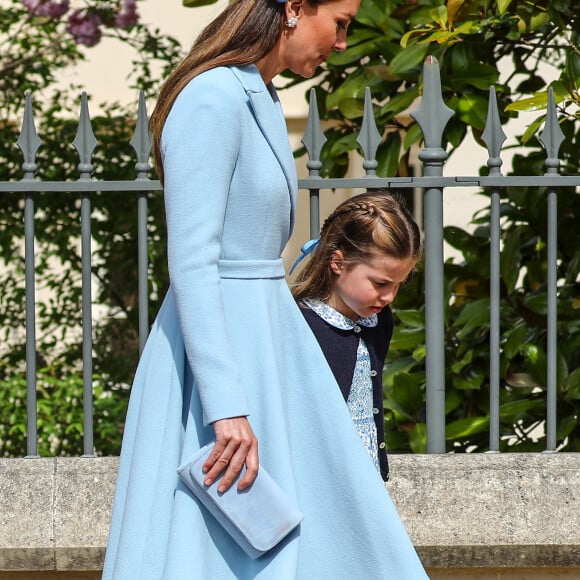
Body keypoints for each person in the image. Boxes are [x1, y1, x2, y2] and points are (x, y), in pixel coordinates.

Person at [103, 0, 429, 576]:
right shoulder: (213, 96)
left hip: (266, 346)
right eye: (341, 23)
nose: (342, 43)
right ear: (295, 9)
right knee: (222, 548)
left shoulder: (259, 95)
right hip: (219, 359)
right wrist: (224, 406)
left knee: (337, 536)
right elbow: (194, 262)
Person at [291, 192, 422, 484]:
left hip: (367, 479)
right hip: (320, 483)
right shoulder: (299, 326)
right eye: (380, 283)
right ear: (338, 263)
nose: (388, 297)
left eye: (398, 285)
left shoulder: (378, 321)